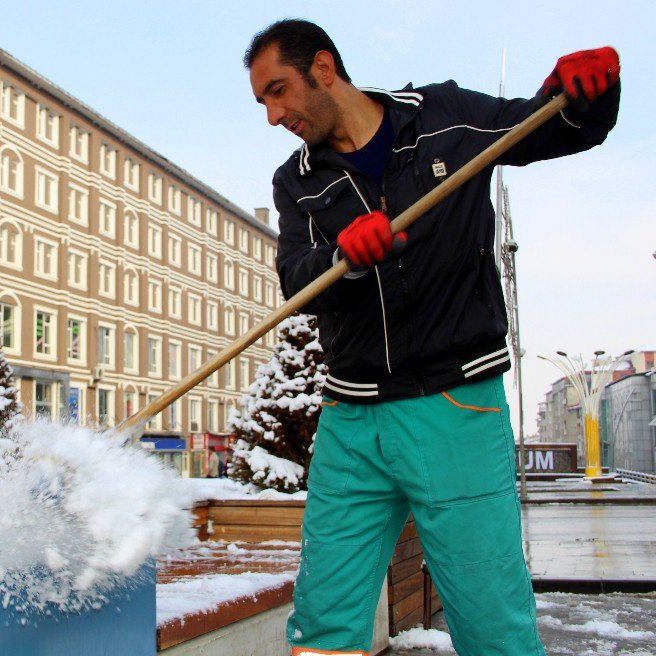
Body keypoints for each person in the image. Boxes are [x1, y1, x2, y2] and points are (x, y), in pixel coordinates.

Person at [244, 19, 619, 656]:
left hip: (456, 407)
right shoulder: (297, 181)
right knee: (323, 617)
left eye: (279, 91)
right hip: (352, 420)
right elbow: (296, 279)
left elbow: (548, 126)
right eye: (263, 102)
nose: (275, 115)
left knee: (490, 617)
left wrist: (592, 94)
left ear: (325, 69)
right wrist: (344, 256)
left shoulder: (444, 116)